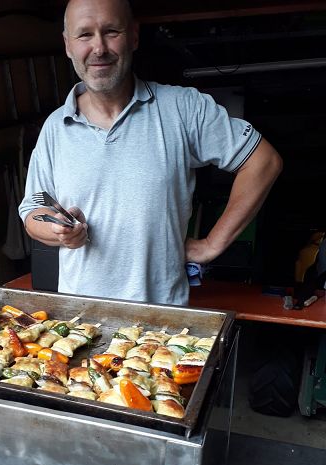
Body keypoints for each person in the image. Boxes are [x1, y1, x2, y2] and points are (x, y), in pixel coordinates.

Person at [18, 0, 283, 306]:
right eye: (85, 35)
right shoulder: (56, 127)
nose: (99, 48)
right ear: (68, 45)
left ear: (133, 36)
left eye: (111, 31)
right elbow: (32, 210)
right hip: (82, 321)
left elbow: (263, 161)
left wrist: (212, 244)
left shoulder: (183, 108)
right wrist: (58, 231)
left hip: (163, 321)